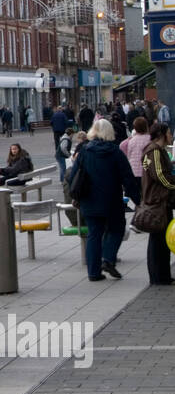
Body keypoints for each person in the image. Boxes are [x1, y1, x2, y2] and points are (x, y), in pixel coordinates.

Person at [68, 118, 138, 282]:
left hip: (89, 201)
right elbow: (128, 178)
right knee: (116, 229)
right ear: (110, 132)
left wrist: (77, 196)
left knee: (94, 234)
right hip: (112, 200)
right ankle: (108, 259)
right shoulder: (115, 152)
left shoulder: (84, 151)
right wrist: (138, 199)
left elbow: (73, 177)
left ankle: (93, 273)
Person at [139, 122, 175, 285]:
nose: (171, 136)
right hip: (157, 201)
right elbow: (160, 175)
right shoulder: (154, 150)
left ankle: (162, 275)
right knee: (158, 240)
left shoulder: (158, 151)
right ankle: (159, 277)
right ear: (161, 134)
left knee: (161, 240)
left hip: (161, 200)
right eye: (169, 133)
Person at [120, 115, 150, 182]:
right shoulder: (149, 139)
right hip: (145, 172)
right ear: (146, 127)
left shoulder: (131, 141)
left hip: (133, 171)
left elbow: (129, 156)